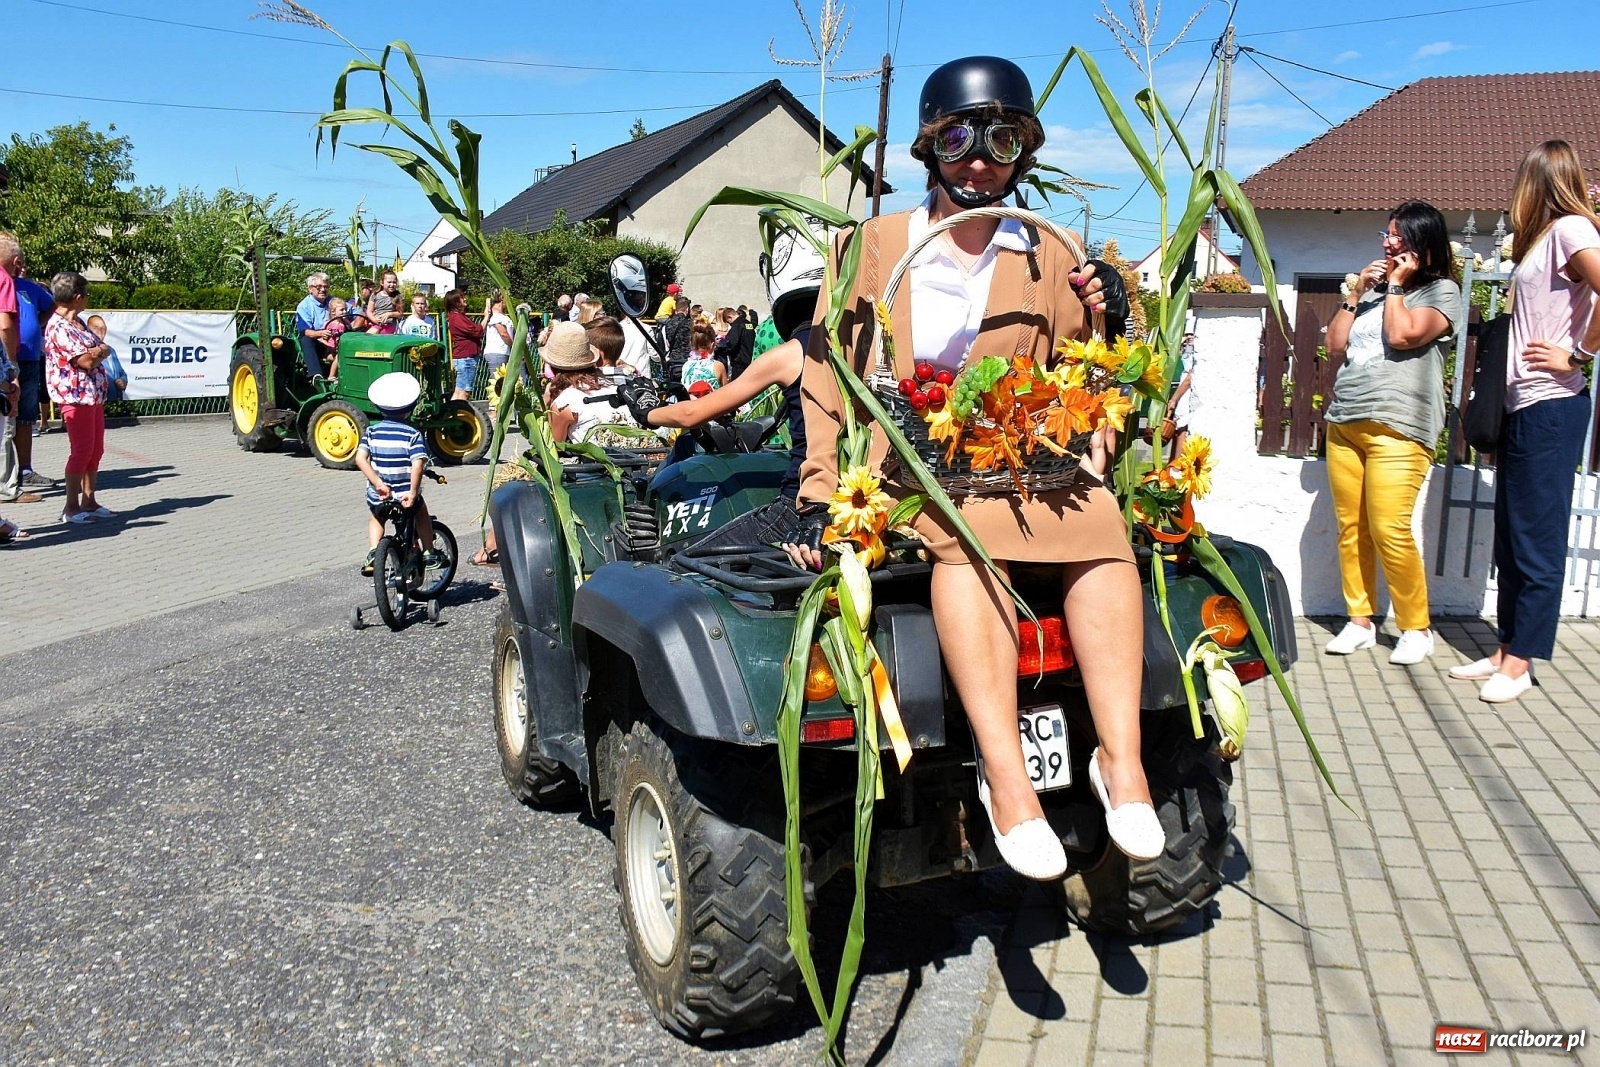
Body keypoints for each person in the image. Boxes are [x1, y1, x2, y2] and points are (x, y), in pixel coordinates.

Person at [785, 57, 1157, 881]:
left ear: (1024, 150)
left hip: (1019, 459)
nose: (979, 158)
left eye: (1001, 138)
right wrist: (817, 494)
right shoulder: (872, 248)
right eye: (958, 138)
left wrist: (1112, 319)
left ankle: (1121, 764)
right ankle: (1007, 777)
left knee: (1104, 527)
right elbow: (823, 377)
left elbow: (1087, 380)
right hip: (910, 461)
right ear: (929, 150)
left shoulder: (1050, 255)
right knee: (966, 535)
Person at [1449, 141, 1600, 703]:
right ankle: (1507, 648)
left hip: (1553, 406)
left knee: (1536, 540)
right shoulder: (1545, 241)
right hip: (1524, 407)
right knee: (1512, 540)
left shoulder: (1571, 230)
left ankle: (1522, 663)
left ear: (1536, 182)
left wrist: (1579, 354)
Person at [1321, 201, 1461, 667]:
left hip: (1400, 426)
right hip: (1347, 421)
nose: (1388, 243)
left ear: (1422, 242)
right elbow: (1335, 344)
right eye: (1386, 236)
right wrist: (1356, 294)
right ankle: (1360, 621)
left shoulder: (1441, 292)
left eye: (1397, 237)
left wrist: (1397, 286)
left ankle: (1416, 628)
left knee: (1389, 527)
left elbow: (1403, 337)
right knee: (1351, 528)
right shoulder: (1377, 293)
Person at [43, 272, 113, 524]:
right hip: (74, 397)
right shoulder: (58, 326)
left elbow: (102, 347)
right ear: (77, 297)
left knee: (96, 449)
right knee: (81, 451)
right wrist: (99, 351)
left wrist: (99, 350)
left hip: (92, 395)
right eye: (86, 295)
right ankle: (70, 507)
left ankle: (89, 500)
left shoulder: (79, 323)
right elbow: (86, 360)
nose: (88, 299)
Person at [355, 372, 440, 576]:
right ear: (411, 408)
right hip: (404, 495)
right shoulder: (412, 434)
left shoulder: (372, 432)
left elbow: (360, 459)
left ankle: (374, 552)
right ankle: (429, 551)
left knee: (377, 517)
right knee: (421, 511)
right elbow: (418, 465)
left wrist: (378, 484)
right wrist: (412, 491)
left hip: (379, 494)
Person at [3, 237, 53, 500]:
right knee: (7, 418)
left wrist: (35, 322)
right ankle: (7, 482)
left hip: (29, 359)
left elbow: (52, 305)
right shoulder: (3, 284)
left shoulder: (29, 287)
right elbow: (5, 324)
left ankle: (25, 470)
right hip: (7, 362)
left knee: (25, 418)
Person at [542, 321, 637, 444]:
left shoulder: (565, 402)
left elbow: (555, 447)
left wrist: (546, 402)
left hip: (592, 462)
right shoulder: (629, 386)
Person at [442, 288, 485, 401]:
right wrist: (486, 317)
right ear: (455, 302)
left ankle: (452, 415)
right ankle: (459, 415)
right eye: (461, 297)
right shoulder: (457, 317)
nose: (464, 299)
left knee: (459, 391)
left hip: (465, 358)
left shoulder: (458, 317)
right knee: (464, 392)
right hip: (466, 359)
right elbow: (476, 331)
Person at [293, 272, 334, 380]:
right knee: (306, 339)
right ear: (310, 289)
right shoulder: (304, 306)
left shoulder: (334, 302)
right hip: (317, 341)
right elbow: (305, 331)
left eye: (325, 286)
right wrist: (320, 333)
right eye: (319, 287)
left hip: (334, 339)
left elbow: (355, 312)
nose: (323, 290)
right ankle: (316, 376)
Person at [85, 316, 128, 403]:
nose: (101, 331)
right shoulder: (86, 350)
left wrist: (123, 380)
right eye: (96, 328)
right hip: (94, 400)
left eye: (103, 328)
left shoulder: (111, 350)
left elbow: (121, 372)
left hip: (114, 400)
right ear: (88, 329)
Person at [680, 321, 726, 397]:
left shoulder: (686, 366)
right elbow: (725, 394)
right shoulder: (718, 366)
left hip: (692, 407)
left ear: (692, 344)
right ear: (712, 344)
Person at [483, 291, 514, 379]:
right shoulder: (495, 315)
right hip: (497, 353)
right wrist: (513, 346)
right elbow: (503, 333)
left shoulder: (501, 315)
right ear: (501, 298)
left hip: (502, 352)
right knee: (497, 383)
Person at [321, 297, 350, 381]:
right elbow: (323, 339)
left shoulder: (346, 323)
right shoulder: (330, 324)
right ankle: (331, 376)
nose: (345, 312)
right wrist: (331, 347)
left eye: (345, 309)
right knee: (340, 356)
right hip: (331, 352)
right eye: (341, 310)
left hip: (343, 348)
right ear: (333, 312)